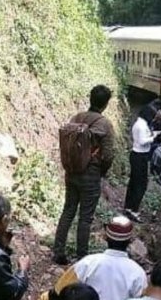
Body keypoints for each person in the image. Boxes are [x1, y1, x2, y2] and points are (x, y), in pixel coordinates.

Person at [53, 85, 115, 265]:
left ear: (90, 98)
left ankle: (58, 252)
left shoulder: (76, 117)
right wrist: (102, 171)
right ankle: (81, 257)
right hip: (91, 172)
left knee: (68, 210)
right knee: (85, 217)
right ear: (106, 104)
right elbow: (108, 154)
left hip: (71, 170)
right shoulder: (104, 123)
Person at [43, 216, 148, 300]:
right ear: (129, 241)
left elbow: (57, 293)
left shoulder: (88, 263)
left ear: (106, 237)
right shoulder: (138, 274)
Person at [125, 105, 157, 223]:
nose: (153, 119)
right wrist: (153, 137)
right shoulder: (142, 125)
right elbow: (143, 141)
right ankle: (134, 210)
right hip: (140, 156)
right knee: (141, 184)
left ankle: (128, 206)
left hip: (136, 154)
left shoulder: (138, 123)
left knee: (133, 182)